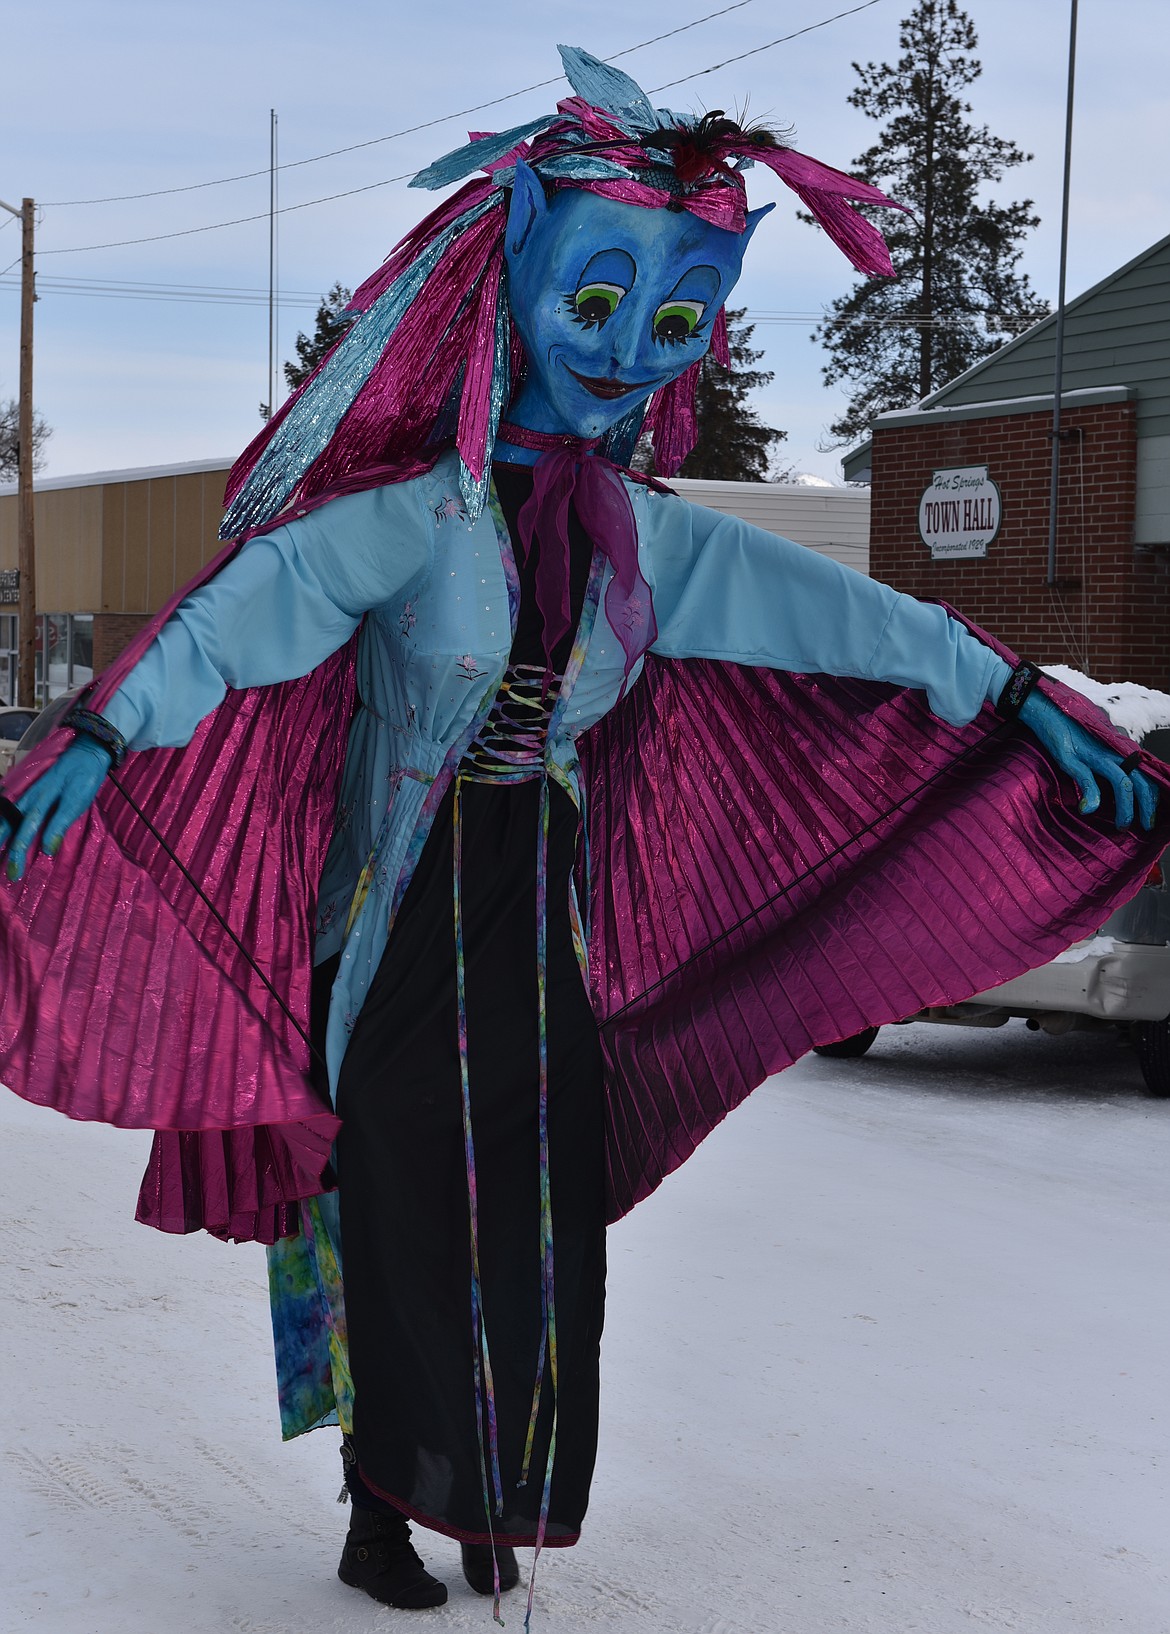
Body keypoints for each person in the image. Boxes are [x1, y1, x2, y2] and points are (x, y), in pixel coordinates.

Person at [0, 47, 1162, 1625]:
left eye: (671, 320)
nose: (626, 350)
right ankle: (376, 1506)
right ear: (511, 286)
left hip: (536, 921)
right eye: (597, 299)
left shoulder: (645, 540)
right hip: (400, 919)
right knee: (398, 1202)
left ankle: (496, 1494)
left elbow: (846, 615)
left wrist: (1013, 692)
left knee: (539, 1227)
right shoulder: (417, 518)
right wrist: (101, 721)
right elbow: (242, 617)